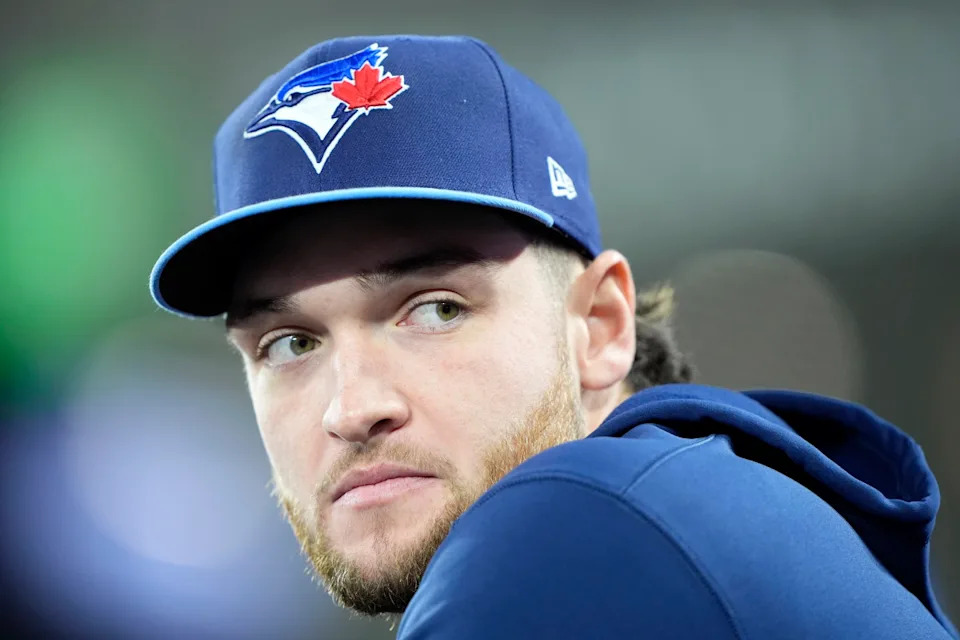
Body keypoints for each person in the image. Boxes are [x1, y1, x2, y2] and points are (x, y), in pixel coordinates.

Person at [150, 34, 958, 638]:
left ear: (599, 325)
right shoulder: (708, 512)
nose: (351, 409)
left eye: (435, 308)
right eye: (289, 344)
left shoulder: (568, 527)